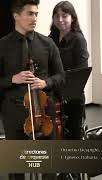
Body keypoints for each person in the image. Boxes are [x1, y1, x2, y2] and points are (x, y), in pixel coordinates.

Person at [0, 0, 64, 179]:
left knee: (48, 166)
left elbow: (61, 76)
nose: (34, 18)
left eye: (36, 14)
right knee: (16, 167)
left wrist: (46, 83)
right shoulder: (2, 46)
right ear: (16, 15)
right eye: (29, 13)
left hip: (43, 111)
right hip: (14, 111)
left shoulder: (47, 44)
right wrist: (12, 79)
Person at [49, 0, 89, 140]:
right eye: (56, 16)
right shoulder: (50, 39)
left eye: (64, 15)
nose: (60, 20)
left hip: (73, 96)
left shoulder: (79, 40)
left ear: (73, 18)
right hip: (54, 94)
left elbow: (81, 72)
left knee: (73, 135)